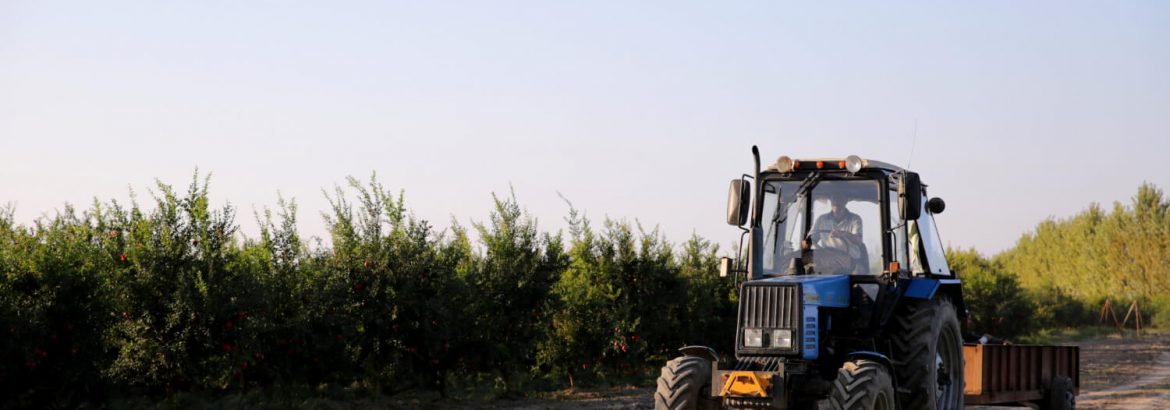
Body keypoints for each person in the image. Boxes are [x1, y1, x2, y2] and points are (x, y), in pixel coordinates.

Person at [809, 194, 864, 274]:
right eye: (833, 198)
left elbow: (859, 240)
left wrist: (844, 234)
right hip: (828, 256)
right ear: (830, 200)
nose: (836, 201)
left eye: (839, 198)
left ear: (845, 200)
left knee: (857, 277)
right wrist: (823, 252)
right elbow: (808, 241)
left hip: (851, 260)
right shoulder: (822, 219)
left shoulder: (855, 219)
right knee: (806, 266)